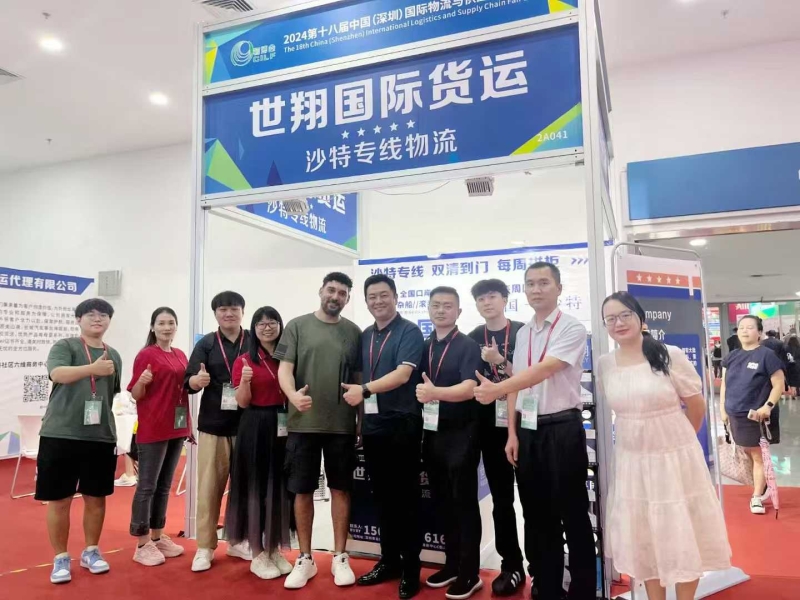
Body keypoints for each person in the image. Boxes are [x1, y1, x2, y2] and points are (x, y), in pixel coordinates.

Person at [598, 292, 731, 600]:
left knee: (683, 531)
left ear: (640, 318)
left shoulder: (669, 354)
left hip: (674, 458)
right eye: (610, 319)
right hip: (632, 461)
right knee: (645, 536)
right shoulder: (606, 364)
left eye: (625, 315)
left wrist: (679, 445)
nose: (619, 323)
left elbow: (696, 405)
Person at [474, 262, 595, 600]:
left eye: (544, 283)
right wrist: (512, 433)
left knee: (573, 515)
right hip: (527, 430)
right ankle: (549, 588)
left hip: (562, 427)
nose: (536, 289)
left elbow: (544, 369)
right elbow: (519, 383)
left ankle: (583, 591)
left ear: (559, 288)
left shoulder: (571, 327)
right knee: (538, 516)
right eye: (530, 284)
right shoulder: (524, 332)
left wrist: (497, 389)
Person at [275, 272, 362, 589]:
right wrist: (292, 396)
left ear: (347, 299)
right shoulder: (297, 326)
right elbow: (284, 369)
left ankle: (340, 556)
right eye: (331, 290)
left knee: (341, 488)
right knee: (302, 490)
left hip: (342, 425)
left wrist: (361, 422)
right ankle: (305, 558)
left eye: (342, 293)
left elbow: (359, 381)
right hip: (303, 423)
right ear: (321, 291)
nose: (335, 296)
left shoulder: (354, 332)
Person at [347, 274, 425, 599]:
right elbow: (358, 375)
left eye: (383, 295)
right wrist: (359, 420)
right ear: (366, 301)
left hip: (402, 425)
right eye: (372, 297)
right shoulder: (365, 335)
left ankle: (411, 569)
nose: (378, 301)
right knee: (382, 499)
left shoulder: (409, 331)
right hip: (374, 427)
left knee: (406, 500)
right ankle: (389, 560)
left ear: (395, 296)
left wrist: (364, 390)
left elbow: (403, 374)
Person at [36, 298, 122, 584]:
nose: (97, 319)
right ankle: (61, 557)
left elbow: (111, 393)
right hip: (60, 433)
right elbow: (57, 374)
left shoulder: (114, 355)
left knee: (96, 497)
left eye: (103, 315)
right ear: (78, 319)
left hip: (100, 436)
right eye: (90, 314)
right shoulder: (66, 346)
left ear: (109, 320)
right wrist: (91, 369)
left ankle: (91, 551)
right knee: (59, 499)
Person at [416, 286, 484, 600]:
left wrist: (435, 394)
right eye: (436, 305)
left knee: (464, 504)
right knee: (443, 502)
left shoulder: (467, 345)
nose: (441, 310)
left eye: (447, 305)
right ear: (429, 309)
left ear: (458, 311)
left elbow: (470, 387)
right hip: (433, 434)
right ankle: (452, 564)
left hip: (462, 434)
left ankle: (471, 573)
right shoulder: (425, 345)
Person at [225, 306, 295, 580]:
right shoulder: (244, 360)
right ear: (253, 329)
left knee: (279, 486)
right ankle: (257, 553)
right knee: (255, 487)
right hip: (255, 426)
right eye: (261, 324)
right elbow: (242, 402)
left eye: (272, 322)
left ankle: (274, 548)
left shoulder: (287, 357)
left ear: (280, 325)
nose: (267, 328)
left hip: (283, 424)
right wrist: (244, 382)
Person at [467, 279, 525, 596]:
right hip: (489, 429)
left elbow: (531, 376)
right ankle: (511, 565)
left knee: (534, 500)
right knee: (501, 501)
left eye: (492, 296)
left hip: (524, 424)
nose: (487, 302)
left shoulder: (522, 333)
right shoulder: (473, 337)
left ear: (505, 299)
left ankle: (542, 566)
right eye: (481, 298)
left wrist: (500, 361)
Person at [185, 291, 251, 571]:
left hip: (248, 425)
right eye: (223, 309)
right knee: (209, 487)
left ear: (242, 312)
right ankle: (204, 546)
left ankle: (238, 540)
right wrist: (196, 381)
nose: (229, 313)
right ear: (215, 314)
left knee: (245, 488)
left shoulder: (253, 340)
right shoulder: (207, 343)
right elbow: (188, 381)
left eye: (234, 308)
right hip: (213, 425)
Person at [127, 307, 190, 566]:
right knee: (147, 486)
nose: (167, 327)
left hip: (177, 426)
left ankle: (157, 536)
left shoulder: (180, 354)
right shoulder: (146, 355)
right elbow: (136, 394)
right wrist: (142, 381)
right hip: (153, 427)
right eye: (161, 323)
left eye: (171, 323)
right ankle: (142, 543)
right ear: (153, 327)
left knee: (164, 486)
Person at [720, 315, 785, 515]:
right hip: (734, 413)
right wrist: (723, 409)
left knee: (758, 455)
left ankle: (757, 496)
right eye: (741, 328)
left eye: (749, 327)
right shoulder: (732, 356)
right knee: (746, 452)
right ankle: (761, 484)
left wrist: (768, 406)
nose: (744, 331)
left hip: (755, 416)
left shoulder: (767, 355)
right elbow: (724, 385)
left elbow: (779, 384)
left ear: (759, 332)